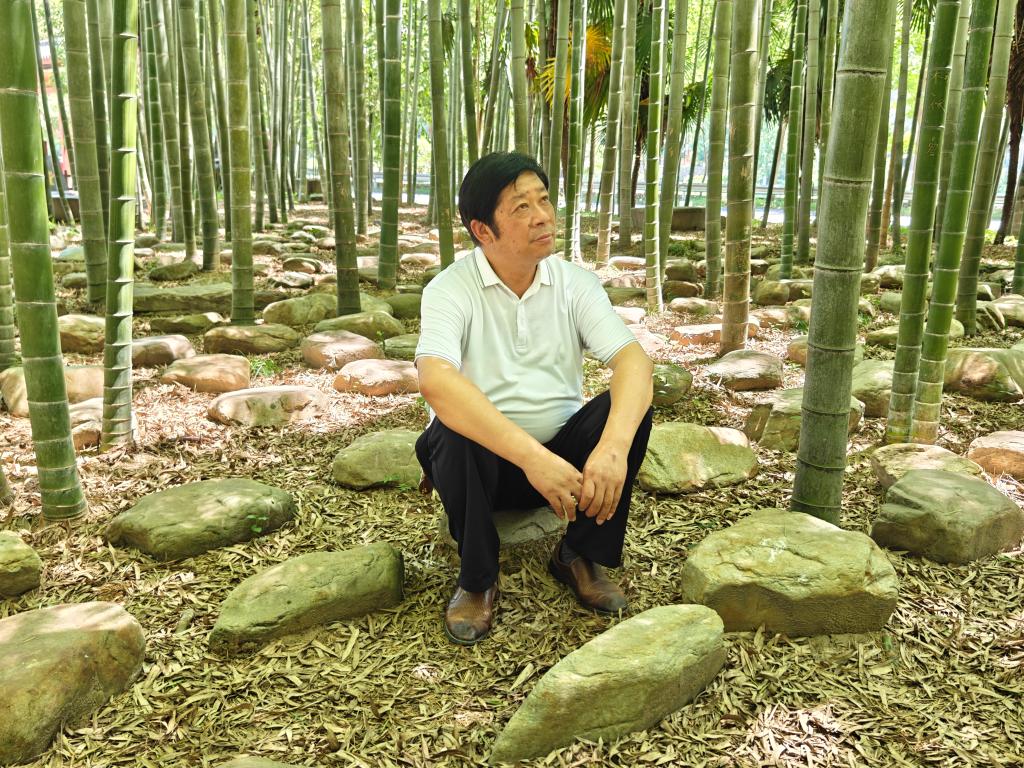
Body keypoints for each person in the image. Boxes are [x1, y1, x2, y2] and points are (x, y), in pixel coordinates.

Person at [414, 152, 654, 646]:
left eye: (543, 200)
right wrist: (532, 459)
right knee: (451, 428)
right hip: (483, 469)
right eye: (521, 207)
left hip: (563, 465)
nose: (543, 216)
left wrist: (612, 448)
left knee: (627, 409)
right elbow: (435, 379)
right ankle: (477, 579)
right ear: (483, 230)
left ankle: (578, 554)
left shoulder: (575, 284)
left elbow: (633, 362)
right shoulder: (450, 289)